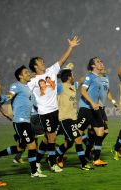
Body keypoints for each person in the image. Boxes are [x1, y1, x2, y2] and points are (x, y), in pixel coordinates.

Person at [27, 36, 80, 173]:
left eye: (43, 61)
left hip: (55, 110)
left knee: (47, 138)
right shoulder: (32, 80)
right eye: (40, 62)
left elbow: (62, 60)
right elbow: (20, 85)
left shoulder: (51, 71)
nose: (43, 62)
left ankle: (38, 161)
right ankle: (52, 163)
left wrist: (71, 47)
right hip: (44, 112)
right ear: (35, 66)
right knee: (52, 138)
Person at [0, 66, 47, 177]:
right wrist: (1, 98)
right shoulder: (16, 85)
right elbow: (10, 95)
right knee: (32, 146)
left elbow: (32, 102)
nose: (28, 74)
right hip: (20, 122)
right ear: (20, 76)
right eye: (26, 72)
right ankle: (34, 172)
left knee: (20, 148)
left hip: (27, 121)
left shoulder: (26, 87)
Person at [54, 66, 94, 170]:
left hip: (73, 119)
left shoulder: (73, 86)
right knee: (78, 139)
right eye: (72, 75)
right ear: (68, 77)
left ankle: (54, 156)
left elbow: (80, 81)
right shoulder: (60, 87)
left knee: (69, 143)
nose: (73, 76)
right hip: (65, 119)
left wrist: (88, 72)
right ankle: (84, 163)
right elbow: (52, 85)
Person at [77, 57, 108, 166]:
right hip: (86, 108)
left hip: (95, 108)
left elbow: (98, 93)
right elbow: (82, 90)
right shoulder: (90, 76)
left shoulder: (100, 78)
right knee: (76, 135)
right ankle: (59, 155)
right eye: (98, 61)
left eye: (101, 60)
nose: (101, 62)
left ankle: (96, 159)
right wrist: (92, 102)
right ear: (93, 66)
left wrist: (99, 103)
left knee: (101, 132)